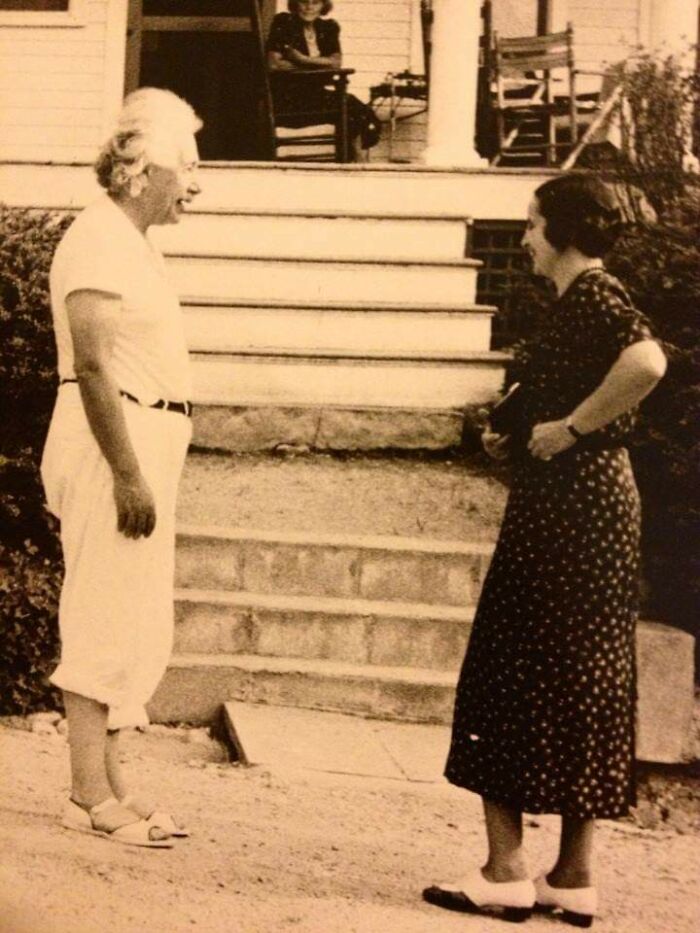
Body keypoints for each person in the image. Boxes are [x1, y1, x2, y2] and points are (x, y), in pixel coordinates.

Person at [423, 174, 667, 925]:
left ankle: (504, 870)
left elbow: (648, 363)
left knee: (508, 667)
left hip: (569, 507)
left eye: (531, 226)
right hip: (592, 506)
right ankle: (572, 874)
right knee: (581, 675)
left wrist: (572, 428)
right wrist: (518, 431)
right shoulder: (581, 303)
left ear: (561, 231)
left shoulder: (594, 296)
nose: (525, 238)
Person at [40, 87, 202, 848]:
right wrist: (130, 472)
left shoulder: (131, 243)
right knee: (103, 611)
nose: (194, 185)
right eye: (186, 165)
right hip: (114, 445)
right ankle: (84, 793)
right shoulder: (99, 239)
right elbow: (96, 368)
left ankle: (112, 786)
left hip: (142, 440)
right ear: (141, 171)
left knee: (130, 616)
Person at [266, 0, 380, 160]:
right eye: (304, 2)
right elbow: (275, 64)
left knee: (357, 111)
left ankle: (352, 159)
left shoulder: (328, 28)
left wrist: (300, 58)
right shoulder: (284, 23)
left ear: (323, 6)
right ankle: (353, 160)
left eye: (315, 2)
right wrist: (320, 63)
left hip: (316, 95)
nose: (309, 7)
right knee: (351, 109)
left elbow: (336, 62)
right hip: (289, 97)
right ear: (295, 4)